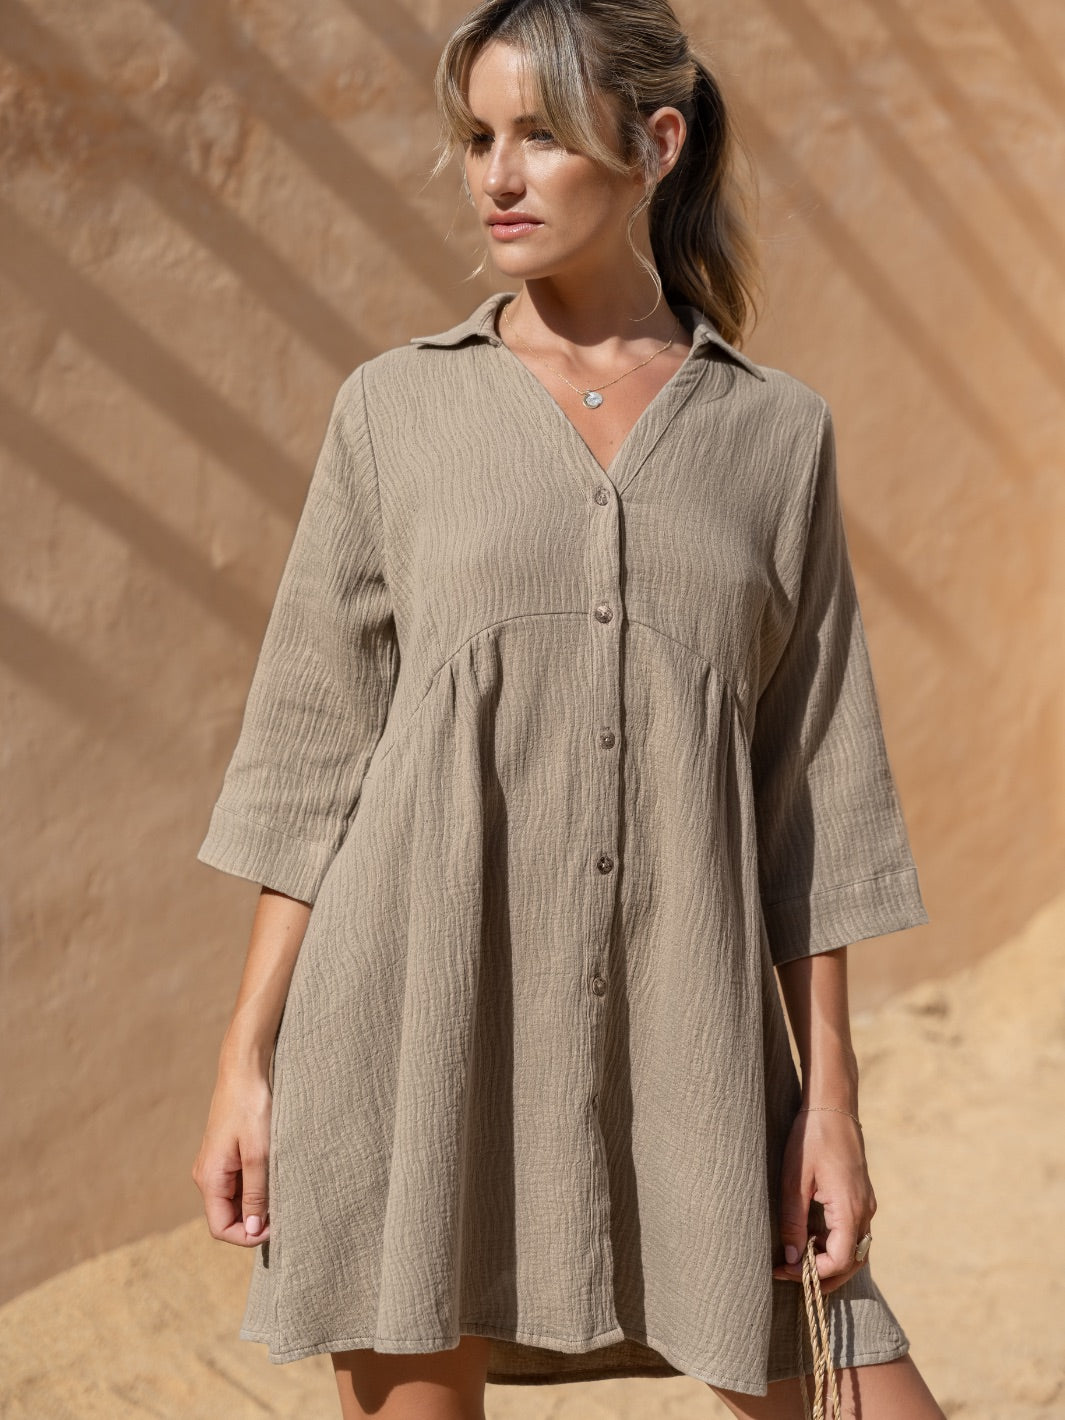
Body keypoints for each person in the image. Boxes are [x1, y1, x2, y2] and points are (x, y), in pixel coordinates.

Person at [191, 3, 947, 1417]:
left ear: (654, 144)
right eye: (475, 137)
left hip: (695, 1040)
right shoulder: (393, 413)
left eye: (538, 134)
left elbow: (811, 793)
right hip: (421, 1032)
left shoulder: (771, 435)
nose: (496, 173)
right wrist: (246, 1062)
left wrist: (827, 1105)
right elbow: (310, 756)